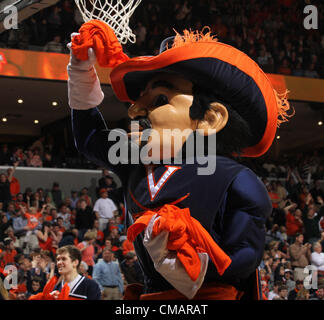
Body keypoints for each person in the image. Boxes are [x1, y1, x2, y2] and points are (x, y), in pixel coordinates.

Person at [68, 22, 292, 300]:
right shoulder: (134, 164)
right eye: (139, 102)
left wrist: (196, 267)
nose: (136, 110)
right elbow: (89, 138)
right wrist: (80, 73)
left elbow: (245, 255)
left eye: (159, 99)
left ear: (210, 119)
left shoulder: (235, 178)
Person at [29, 245, 101, 300]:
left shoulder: (91, 286)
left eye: (64, 259)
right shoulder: (56, 287)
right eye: (58, 259)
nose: (59, 262)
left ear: (75, 262)